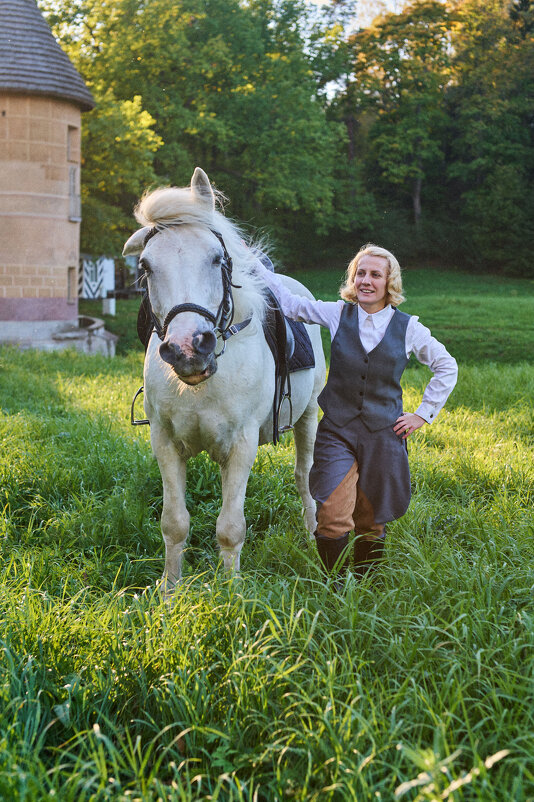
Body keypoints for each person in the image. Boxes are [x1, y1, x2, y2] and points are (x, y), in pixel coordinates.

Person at [255, 244, 458, 580]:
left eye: (375, 275)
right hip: (338, 431)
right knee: (333, 512)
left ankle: (364, 587)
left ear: (389, 282)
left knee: (371, 516)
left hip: (383, 435)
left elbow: (446, 366)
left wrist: (423, 414)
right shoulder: (337, 313)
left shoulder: (408, 328)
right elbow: (291, 305)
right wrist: (258, 268)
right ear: (352, 279)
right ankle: (334, 588)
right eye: (360, 273)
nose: (366, 280)